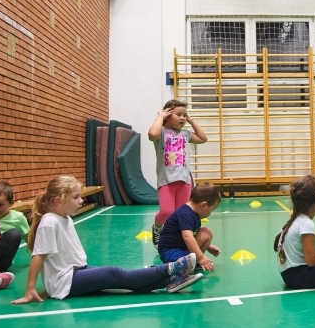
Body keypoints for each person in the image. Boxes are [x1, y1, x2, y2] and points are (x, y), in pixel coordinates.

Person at [11, 176, 200, 304]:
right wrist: (30, 289)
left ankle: (170, 280)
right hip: (64, 283)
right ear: (58, 201)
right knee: (113, 273)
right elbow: (38, 256)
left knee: (122, 281)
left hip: (76, 272)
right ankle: (172, 268)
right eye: (76, 197)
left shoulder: (64, 218)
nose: (81, 201)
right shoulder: (49, 222)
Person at [148, 99, 208, 248]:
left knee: (182, 214)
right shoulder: (161, 132)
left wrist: (192, 121)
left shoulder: (185, 134)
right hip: (166, 180)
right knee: (167, 211)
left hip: (184, 180)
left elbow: (203, 138)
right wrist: (160, 117)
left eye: (184, 115)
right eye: (179, 114)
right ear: (167, 115)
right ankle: (157, 229)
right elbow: (151, 134)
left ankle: (178, 239)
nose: (182, 118)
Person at [158, 183, 222, 272]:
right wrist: (201, 257)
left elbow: (193, 234)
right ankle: (175, 267)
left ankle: (192, 263)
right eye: (212, 210)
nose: (211, 213)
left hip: (182, 248)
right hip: (170, 251)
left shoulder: (195, 213)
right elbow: (187, 237)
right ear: (203, 205)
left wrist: (208, 246)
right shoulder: (186, 214)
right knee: (186, 269)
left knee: (206, 233)